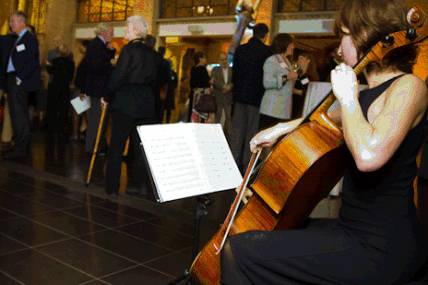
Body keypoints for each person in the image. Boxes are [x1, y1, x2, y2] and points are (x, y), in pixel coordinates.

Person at [221, 0, 428, 284]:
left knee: (240, 252)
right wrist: (279, 128)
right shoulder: (366, 92)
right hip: (350, 229)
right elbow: (319, 122)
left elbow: (369, 156)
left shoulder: (408, 87)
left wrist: (347, 97)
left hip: (381, 245)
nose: (339, 50)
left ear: (368, 33)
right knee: (271, 234)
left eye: (344, 35)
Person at [103, 15, 160, 198]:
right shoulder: (152, 53)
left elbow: (118, 77)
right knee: (139, 148)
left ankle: (112, 187)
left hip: (126, 103)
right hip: (145, 104)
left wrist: (106, 96)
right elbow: (156, 80)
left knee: (117, 146)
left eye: (127, 27)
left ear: (135, 29)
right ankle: (139, 186)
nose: (125, 31)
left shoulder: (128, 51)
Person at [229, 23, 272, 171]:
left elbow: (234, 72)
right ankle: (247, 163)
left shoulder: (241, 49)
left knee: (237, 129)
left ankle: (233, 160)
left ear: (253, 33)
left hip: (240, 95)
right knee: (251, 130)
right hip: (256, 96)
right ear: (265, 35)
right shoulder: (266, 51)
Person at [3, 11, 41, 159]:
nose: (11, 24)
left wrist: (19, 78)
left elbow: (33, 61)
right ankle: (20, 145)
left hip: (19, 81)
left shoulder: (28, 38)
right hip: (14, 79)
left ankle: (21, 148)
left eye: (13, 21)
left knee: (19, 115)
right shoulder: (19, 38)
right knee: (17, 114)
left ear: (22, 22)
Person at [84, 23, 115, 154]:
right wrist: (111, 63)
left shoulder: (100, 45)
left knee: (98, 120)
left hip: (97, 88)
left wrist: (111, 51)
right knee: (96, 120)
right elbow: (97, 66)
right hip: (97, 89)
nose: (113, 36)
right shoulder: (96, 44)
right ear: (103, 32)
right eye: (111, 33)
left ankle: (97, 146)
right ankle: (91, 148)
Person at [259, 33, 298, 130]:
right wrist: (287, 77)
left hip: (283, 109)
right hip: (272, 109)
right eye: (292, 44)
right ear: (285, 44)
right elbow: (267, 83)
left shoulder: (287, 61)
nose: (293, 47)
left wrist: (299, 72)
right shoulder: (272, 60)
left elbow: (289, 84)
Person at [46, 44, 75, 136]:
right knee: (63, 109)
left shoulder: (55, 61)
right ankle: (62, 127)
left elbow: (50, 71)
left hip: (55, 87)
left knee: (53, 108)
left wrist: (47, 65)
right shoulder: (71, 63)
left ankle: (51, 127)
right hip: (65, 88)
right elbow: (71, 76)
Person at [211, 52, 233, 138]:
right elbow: (213, 81)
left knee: (229, 119)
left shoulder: (232, 70)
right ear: (219, 60)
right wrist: (223, 86)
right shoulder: (215, 70)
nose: (224, 61)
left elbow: (235, 81)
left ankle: (229, 138)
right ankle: (216, 136)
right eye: (222, 59)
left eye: (225, 59)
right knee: (218, 117)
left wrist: (230, 87)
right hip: (218, 97)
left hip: (229, 98)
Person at [189, 51, 212, 123]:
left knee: (195, 114)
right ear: (200, 59)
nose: (206, 59)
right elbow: (206, 82)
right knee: (202, 115)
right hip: (202, 95)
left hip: (195, 94)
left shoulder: (193, 69)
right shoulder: (202, 69)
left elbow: (192, 83)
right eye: (204, 58)